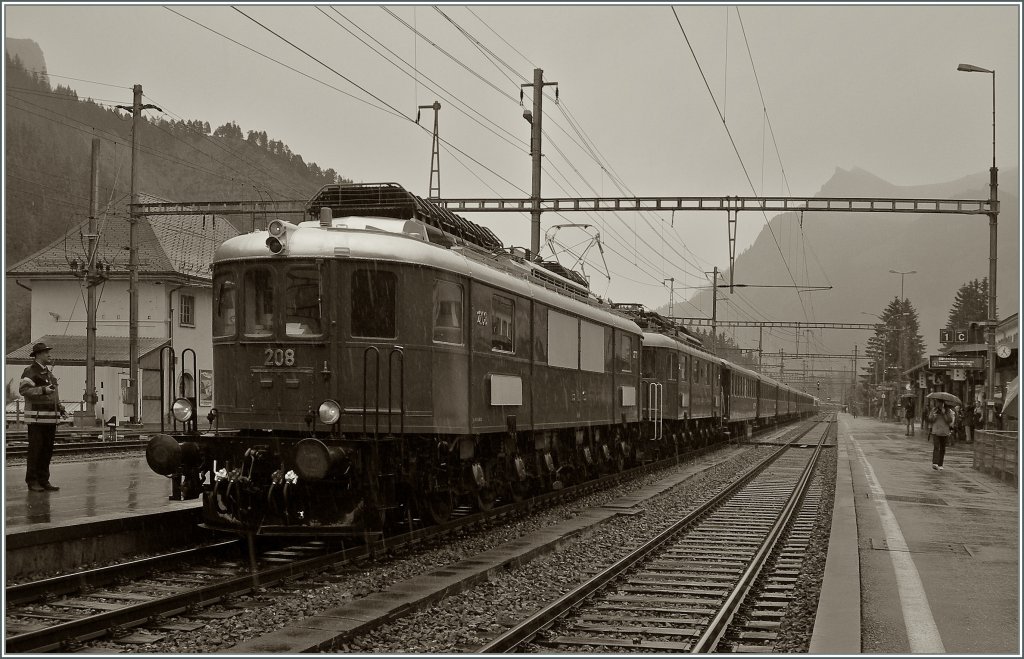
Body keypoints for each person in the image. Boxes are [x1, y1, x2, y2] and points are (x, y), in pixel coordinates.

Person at [19, 342, 65, 492]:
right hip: (37, 420)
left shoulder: (49, 374)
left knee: (46, 451)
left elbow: (54, 395)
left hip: (50, 420)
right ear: (38, 355)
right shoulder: (30, 371)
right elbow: (24, 390)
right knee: (36, 451)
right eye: (46, 352)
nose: (49, 355)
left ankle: (44, 480)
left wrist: (61, 408)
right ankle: (32, 481)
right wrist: (43, 390)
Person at [928, 400, 954, 471]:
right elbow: (930, 419)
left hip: (944, 432)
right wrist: (934, 416)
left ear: (943, 403)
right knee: (936, 446)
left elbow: (949, 420)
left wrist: (944, 413)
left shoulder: (948, 410)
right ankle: (935, 463)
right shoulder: (934, 410)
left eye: (940, 402)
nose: (938, 404)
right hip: (936, 431)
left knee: (942, 448)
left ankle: (940, 464)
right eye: (937, 402)